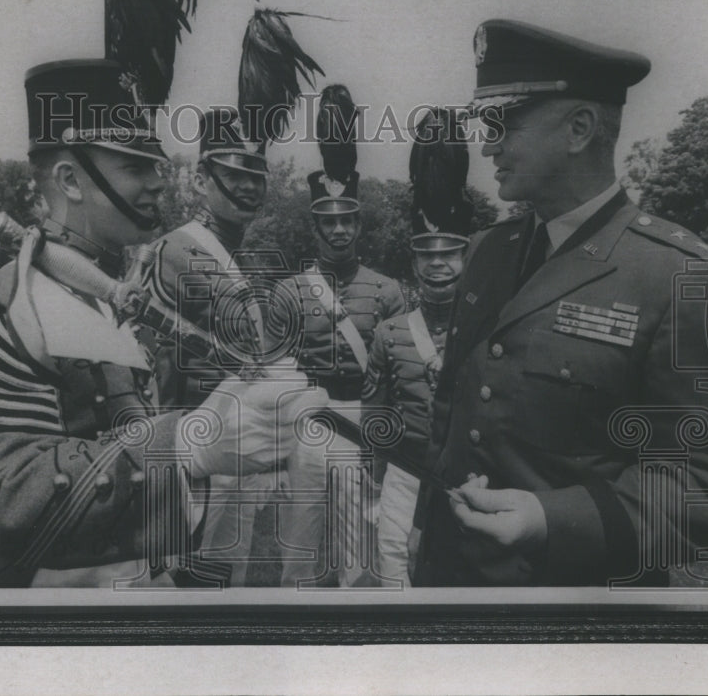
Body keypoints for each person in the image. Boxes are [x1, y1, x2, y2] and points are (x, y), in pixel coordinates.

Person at [0, 60, 324, 587]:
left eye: (155, 166)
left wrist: (218, 411)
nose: (157, 184)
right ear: (71, 180)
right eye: (134, 167)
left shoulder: (106, 296)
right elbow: (4, 498)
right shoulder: (4, 306)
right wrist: (184, 445)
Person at [413, 20, 708, 586]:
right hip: (449, 580)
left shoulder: (678, 274)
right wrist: (423, 525)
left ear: (579, 128)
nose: (488, 145)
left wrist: (550, 519)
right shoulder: (487, 250)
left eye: (503, 123)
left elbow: (706, 477)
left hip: (574, 609)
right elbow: (451, 409)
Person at [269, 90, 406, 586]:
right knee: (299, 539)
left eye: (348, 220)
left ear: (359, 223)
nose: (340, 230)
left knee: (356, 546)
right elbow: (274, 371)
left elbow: (395, 375)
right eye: (329, 222)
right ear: (315, 226)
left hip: (361, 421)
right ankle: (289, 622)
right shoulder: (289, 292)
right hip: (308, 419)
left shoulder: (386, 290)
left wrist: (383, 442)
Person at [150, 108, 280, 586]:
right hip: (191, 462)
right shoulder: (177, 251)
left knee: (221, 588)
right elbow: (155, 374)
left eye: (256, 176)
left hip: (235, 455)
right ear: (203, 178)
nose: (248, 187)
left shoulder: (233, 255)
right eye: (233, 174)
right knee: (190, 594)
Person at [363, 112, 474, 586]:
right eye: (426, 254)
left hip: (467, 480)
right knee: (394, 573)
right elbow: (375, 411)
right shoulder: (389, 333)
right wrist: (376, 471)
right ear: (413, 260)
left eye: (448, 253)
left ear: (465, 256)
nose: (437, 265)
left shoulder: (488, 332)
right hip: (404, 472)